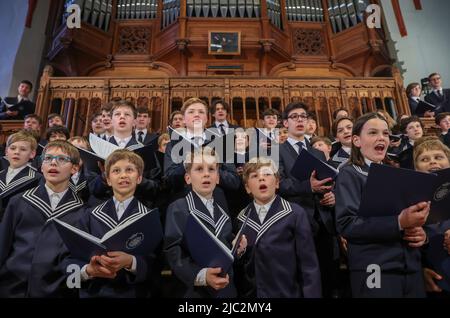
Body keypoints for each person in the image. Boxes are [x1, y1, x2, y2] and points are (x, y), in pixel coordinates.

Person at [335, 112, 429, 297]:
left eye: (385, 133)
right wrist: (399, 223)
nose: (381, 138)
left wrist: (421, 234)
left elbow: (410, 220)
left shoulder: (397, 173)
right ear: (356, 140)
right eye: (373, 133)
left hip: (410, 267)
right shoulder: (349, 174)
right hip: (375, 267)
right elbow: (347, 224)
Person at [68, 149, 163, 297]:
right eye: (116, 171)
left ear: (139, 178)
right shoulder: (89, 215)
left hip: (134, 293)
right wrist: (88, 270)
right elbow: (68, 262)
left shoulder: (150, 217)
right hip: (94, 292)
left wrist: (131, 262)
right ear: (108, 180)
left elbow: (157, 264)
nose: (123, 175)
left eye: (129, 170)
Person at [0, 141, 85, 297]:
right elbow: (2, 245)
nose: (53, 162)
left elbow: (78, 260)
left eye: (62, 159)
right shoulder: (19, 201)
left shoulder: (82, 212)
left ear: (74, 168)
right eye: (48, 158)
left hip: (56, 289)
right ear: (41, 166)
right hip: (11, 285)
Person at [164, 147, 246, 297]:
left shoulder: (221, 206)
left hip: (226, 288)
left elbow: (224, 243)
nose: (206, 174)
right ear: (188, 178)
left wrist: (237, 247)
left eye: (211, 169)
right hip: (194, 290)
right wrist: (201, 275)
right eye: (199, 169)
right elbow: (173, 250)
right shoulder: (179, 207)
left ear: (218, 178)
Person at [278, 102, 339, 297]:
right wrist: (308, 187)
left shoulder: (318, 152)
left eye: (303, 116)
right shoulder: (277, 151)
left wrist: (331, 194)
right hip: (296, 220)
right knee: (301, 278)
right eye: (294, 117)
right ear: (285, 123)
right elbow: (278, 184)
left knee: (327, 277)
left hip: (323, 220)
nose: (300, 120)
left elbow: (329, 180)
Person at [235, 157, 321, 298]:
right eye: (255, 176)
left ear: (277, 182)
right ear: (247, 187)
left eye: (267, 174)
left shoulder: (295, 213)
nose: (261, 179)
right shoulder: (241, 218)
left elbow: (308, 265)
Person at [413, 137, 450, 297]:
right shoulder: (409, 201)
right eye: (424, 159)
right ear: (416, 169)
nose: (432, 162)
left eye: (438, 157)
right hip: (436, 280)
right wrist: (419, 272)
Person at [0, 131, 42, 221]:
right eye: (13, 148)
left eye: (23, 149)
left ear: (32, 154)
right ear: (6, 151)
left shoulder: (38, 179)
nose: (17, 152)